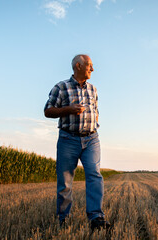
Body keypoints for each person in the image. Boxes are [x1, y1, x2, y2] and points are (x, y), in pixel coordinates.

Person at [44, 54, 110, 231]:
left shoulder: (93, 89)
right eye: (90, 65)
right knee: (65, 181)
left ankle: (96, 218)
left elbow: (96, 110)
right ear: (78, 66)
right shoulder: (61, 87)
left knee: (94, 175)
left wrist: (95, 123)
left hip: (91, 139)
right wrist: (68, 110)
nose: (93, 69)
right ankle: (63, 219)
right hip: (68, 139)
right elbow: (48, 111)